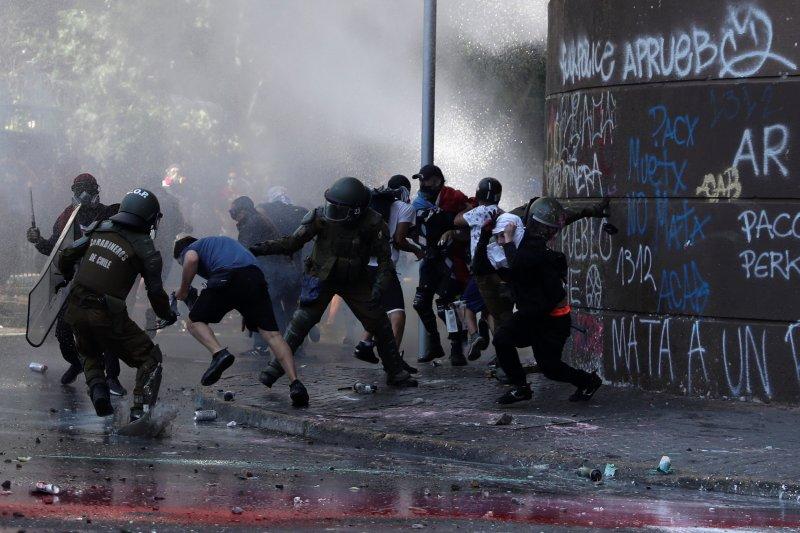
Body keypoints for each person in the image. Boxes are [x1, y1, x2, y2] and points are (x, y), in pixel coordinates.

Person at [251, 177, 418, 389]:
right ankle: (274, 369)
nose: (334, 211)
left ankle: (395, 372)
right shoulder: (320, 216)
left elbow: (385, 262)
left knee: (380, 325)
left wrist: (379, 288)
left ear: (356, 211)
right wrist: (260, 249)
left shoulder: (373, 223)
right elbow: (292, 243)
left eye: (340, 208)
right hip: (323, 277)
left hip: (355, 280)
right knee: (299, 324)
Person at [57, 188, 178, 420]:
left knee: (89, 352)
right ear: (149, 217)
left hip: (75, 307)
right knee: (150, 359)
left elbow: (67, 254)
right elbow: (155, 292)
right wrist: (167, 314)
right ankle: (139, 413)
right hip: (107, 313)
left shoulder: (98, 229)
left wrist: (67, 274)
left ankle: (99, 390)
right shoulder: (147, 250)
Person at [172, 234, 309, 407]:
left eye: (180, 263)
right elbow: (243, 276)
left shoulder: (191, 250)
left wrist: (183, 291)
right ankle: (296, 384)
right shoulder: (219, 244)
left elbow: (191, 259)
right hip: (256, 279)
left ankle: (219, 353)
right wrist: (246, 311)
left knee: (193, 322)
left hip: (227, 275)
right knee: (273, 336)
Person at [491, 197, 602, 405]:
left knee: (550, 367)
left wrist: (507, 242)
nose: (542, 231)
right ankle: (521, 387)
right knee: (502, 338)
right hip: (536, 314)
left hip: (550, 319)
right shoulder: (527, 238)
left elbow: (519, 266)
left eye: (545, 228)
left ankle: (588, 381)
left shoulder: (536, 251)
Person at [27, 173, 126, 395]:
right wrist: (37, 240)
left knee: (106, 330)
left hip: (103, 281)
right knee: (63, 331)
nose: (83, 194)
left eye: (88, 189)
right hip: (76, 283)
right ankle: (77, 363)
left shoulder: (109, 212)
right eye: (79, 189)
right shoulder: (66, 218)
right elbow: (52, 249)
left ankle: (112, 378)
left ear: (96, 190)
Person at [353, 175, 423, 366]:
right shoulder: (405, 208)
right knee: (398, 314)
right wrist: (417, 250)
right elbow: (399, 240)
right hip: (384, 268)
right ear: (406, 191)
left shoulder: (372, 205)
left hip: (365, 265)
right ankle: (392, 362)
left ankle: (364, 344)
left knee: (379, 307)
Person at [411, 164, 473, 366]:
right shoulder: (419, 202)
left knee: (448, 305)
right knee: (420, 303)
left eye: (425, 179)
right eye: (420, 179)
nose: (422, 183)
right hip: (430, 258)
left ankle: (457, 350)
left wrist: (453, 232)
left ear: (437, 179)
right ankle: (435, 344)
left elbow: (471, 220)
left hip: (451, 260)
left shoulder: (454, 197)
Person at [228, 195, 287, 357]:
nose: (233, 216)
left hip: (268, 271)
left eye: (234, 212)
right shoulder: (256, 220)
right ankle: (286, 342)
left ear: (244, 210)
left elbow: (244, 251)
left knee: (260, 306)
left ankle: (262, 346)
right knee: (272, 307)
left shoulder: (252, 224)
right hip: (272, 269)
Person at [257, 186, 316, 343]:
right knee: (292, 306)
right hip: (295, 267)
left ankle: (281, 340)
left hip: (273, 268)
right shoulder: (300, 212)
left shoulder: (265, 210)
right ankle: (296, 344)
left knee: (274, 302)